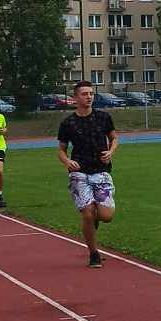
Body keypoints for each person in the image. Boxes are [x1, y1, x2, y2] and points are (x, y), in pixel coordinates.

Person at [57, 81, 118, 268]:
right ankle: (93, 253)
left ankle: (92, 222)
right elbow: (61, 150)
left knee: (106, 216)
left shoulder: (103, 117)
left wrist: (110, 152)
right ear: (75, 98)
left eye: (91, 93)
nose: (89, 97)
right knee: (87, 213)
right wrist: (67, 161)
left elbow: (114, 138)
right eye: (84, 94)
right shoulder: (68, 123)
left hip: (101, 172)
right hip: (79, 174)